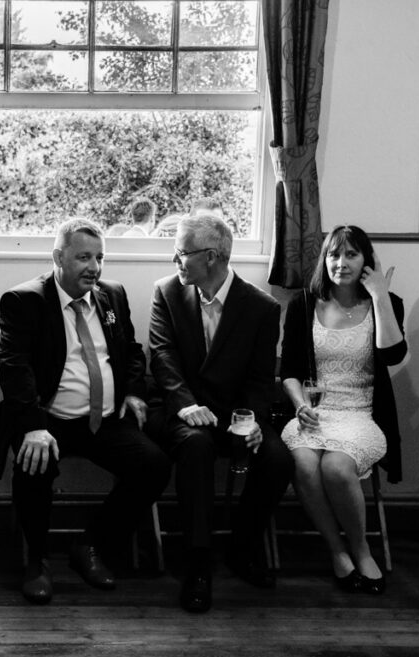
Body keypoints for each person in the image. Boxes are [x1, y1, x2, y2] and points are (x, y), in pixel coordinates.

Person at [0, 218, 171, 605]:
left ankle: (91, 545)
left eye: (99, 258)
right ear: (58, 257)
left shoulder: (113, 294)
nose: (94, 267)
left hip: (104, 420)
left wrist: (133, 393)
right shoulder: (25, 300)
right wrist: (33, 427)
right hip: (49, 419)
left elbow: (131, 351)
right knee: (33, 461)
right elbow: (14, 367)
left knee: (154, 465)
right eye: (83, 257)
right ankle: (36, 561)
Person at [149, 214, 293, 613]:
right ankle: (198, 561)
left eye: (181, 252)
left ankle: (243, 549)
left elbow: (262, 378)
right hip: (182, 410)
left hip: (235, 412)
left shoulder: (261, 307)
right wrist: (185, 404)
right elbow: (162, 357)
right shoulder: (167, 293)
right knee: (195, 448)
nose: (175, 260)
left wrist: (251, 422)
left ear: (210, 256)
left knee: (279, 459)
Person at [279, 225, 405, 595]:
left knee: (335, 466)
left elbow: (393, 355)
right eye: (334, 254)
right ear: (324, 260)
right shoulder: (303, 304)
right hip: (315, 410)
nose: (341, 262)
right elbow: (289, 373)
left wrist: (379, 294)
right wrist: (300, 405)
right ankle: (337, 551)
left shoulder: (387, 302)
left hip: (362, 413)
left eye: (351, 254)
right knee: (303, 463)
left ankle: (362, 551)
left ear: (367, 260)